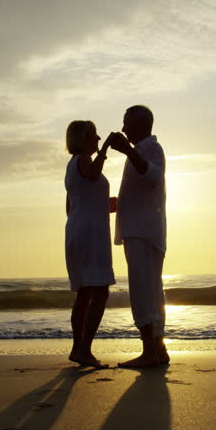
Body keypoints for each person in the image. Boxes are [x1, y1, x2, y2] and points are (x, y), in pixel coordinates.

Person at [108, 105, 169, 368]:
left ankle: (150, 352)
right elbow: (143, 190)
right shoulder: (141, 151)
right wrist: (117, 203)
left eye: (126, 123)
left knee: (143, 291)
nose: (123, 129)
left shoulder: (149, 148)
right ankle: (157, 349)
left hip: (142, 230)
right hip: (142, 227)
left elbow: (153, 176)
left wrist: (128, 150)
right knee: (152, 290)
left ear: (141, 124)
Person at [64, 120, 117, 368]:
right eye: (95, 136)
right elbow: (94, 174)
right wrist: (106, 148)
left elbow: (72, 207)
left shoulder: (71, 166)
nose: (97, 140)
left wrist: (105, 206)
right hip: (91, 235)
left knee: (84, 294)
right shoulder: (84, 159)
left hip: (77, 231)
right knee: (100, 292)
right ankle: (84, 349)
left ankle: (78, 348)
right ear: (84, 138)